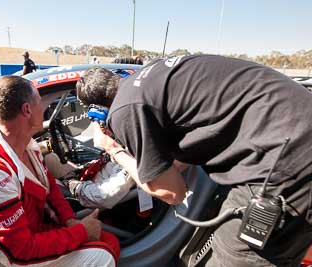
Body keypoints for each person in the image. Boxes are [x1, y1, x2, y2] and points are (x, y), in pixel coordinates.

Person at [76, 57, 312, 267]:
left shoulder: (126, 110)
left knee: (235, 255)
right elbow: (184, 147)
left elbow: (172, 193)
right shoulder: (148, 79)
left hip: (286, 158)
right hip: (290, 132)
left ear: (97, 111)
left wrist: (113, 148)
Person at [0, 75, 119, 267]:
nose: (44, 108)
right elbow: (20, 253)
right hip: (2, 261)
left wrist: (71, 222)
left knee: (109, 241)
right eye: (40, 103)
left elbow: (51, 190)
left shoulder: (27, 146)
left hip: (32, 235)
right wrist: (82, 232)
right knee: (101, 255)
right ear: (27, 110)